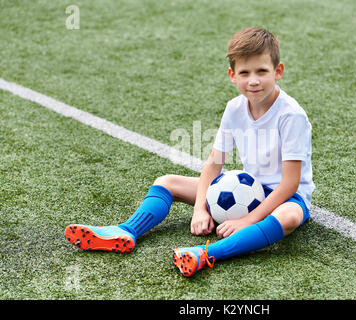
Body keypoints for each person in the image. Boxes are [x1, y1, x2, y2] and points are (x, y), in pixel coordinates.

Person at [65, 27, 315, 277]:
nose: (253, 80)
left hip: (285, 198)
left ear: (278, 71)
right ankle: (126, 230)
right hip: (247, 187)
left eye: (262, 71)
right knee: (167, 182)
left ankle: (205, 254)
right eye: (244, 73)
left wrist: (247, 220)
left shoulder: (291, 115)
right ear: (232, 75)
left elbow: (290, 184)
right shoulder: (235, 108)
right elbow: (213, 165)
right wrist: (200, 209)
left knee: (289, 218)